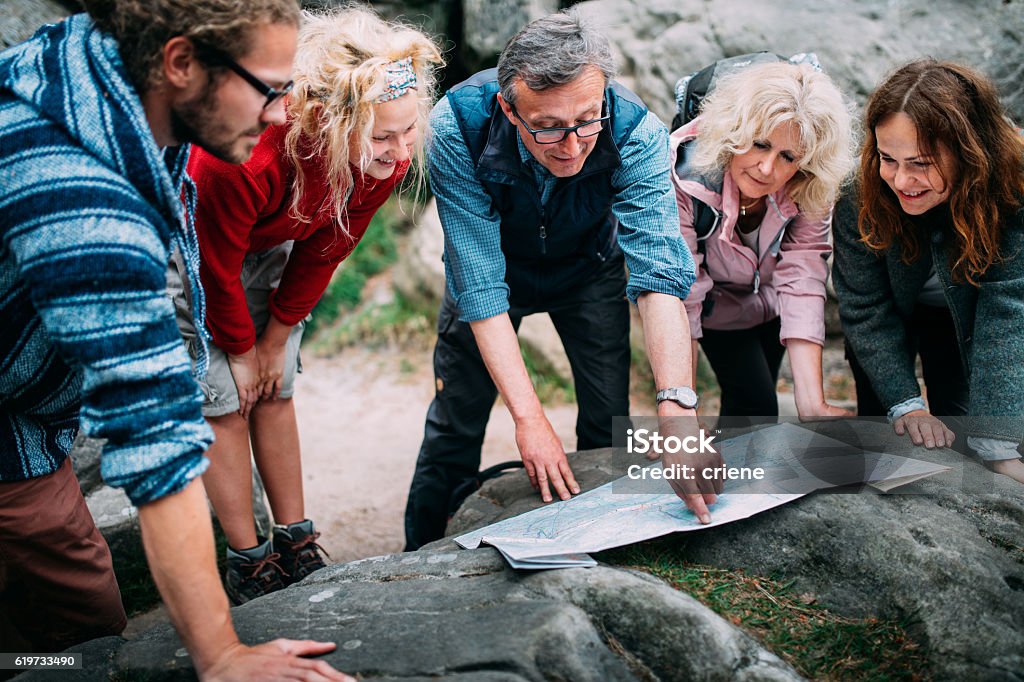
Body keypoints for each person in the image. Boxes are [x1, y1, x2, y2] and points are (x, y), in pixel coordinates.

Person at [0, 2, 353, 679]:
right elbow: (155, 438)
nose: (282, 114)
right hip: (11, 433)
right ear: (182, 61)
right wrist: (220, 654)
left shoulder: (100, 69)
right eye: (271, 89)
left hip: (25, 406)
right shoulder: (83, 206)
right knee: (84, 639)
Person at [404, 9, 720, 551]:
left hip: (588, 269)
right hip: (491, 268)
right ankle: (418, 555)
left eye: (587, 120)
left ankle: (612, 544)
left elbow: (659, 271)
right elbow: (479, 285)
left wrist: (676, 405)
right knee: (456, 425)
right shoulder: (457, 125)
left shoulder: (635, 130)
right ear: (508, 106)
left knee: (607, 421)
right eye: (547, 126)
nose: (572, 146)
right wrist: (528, 418)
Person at [177, 6, 443, 603]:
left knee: (276, 387)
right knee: (225, 398)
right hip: (192, 250)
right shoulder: (244, 155)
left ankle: (294, 538)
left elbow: (327, 248)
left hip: (271, 240)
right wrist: (241, 351)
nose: (401, 152)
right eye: (383, 136)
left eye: (409, 132)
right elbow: (215, 268)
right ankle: (248, 560)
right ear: (327, 118)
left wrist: (275, 340)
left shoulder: (380, 155)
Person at [833, 58, 1024, 483]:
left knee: (966, 442)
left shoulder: (1012, 187)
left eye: (920, 163)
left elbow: (1007, 309)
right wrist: (906, 404)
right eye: (888, 159)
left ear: (969, 151)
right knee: (889, 442)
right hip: (886, 321)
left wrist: (998, 442)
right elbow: (865, 307)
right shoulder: (856, 195)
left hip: (968, 319)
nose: (901, 181)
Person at [669, 61, 855, 418]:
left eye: (787, 156)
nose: (767, 168)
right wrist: (682, 415)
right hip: (715, 306)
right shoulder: (684, 176)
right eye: (759, 144)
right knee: (757, 405)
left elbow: (803, 273)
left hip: (772, 303)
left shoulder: (812, 184)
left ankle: (729, 470)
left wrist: (811, 403)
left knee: (753, 407)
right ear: (734, 131)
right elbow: (684, 292)